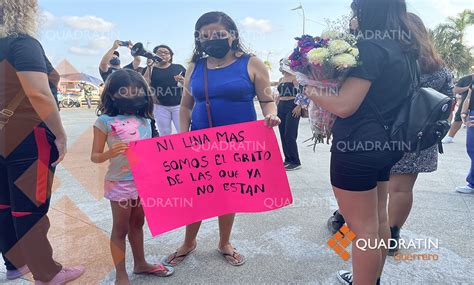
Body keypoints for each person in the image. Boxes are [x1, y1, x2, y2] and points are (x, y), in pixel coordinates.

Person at [304, 0, 419, 284]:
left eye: (356, 10)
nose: (353, 17)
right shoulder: (405, 49)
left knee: (363, 229)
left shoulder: (369, 47)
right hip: (388, 145)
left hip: (356, 146)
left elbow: (345, 105)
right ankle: (371, 278)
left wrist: (309, 89)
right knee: (378, 220)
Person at [164, 11, 280, 267]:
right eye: (204, 36)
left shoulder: (252, 63)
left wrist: (271, 116)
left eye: (217, 34)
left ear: (233, 35)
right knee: (197, 193)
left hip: (239, 143)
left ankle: (224, 242)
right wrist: (182, 136)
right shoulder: (195, 66)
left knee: (229, 192)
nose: (211, 40)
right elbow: (185, 106)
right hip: (199, 142)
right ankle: (188, 242)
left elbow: (267, 100)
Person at [0, 0, 85, 283]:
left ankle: (15, 264)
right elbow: (38, 93)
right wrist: (60, 134)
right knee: (29, 206)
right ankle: (47, 272)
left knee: (3, 203)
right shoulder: (22, 43)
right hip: (29, 136)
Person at [91, 69, 173, 285]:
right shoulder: (104, 121)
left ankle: (140, 263)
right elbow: (95, 156)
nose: (130, 95)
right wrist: (110, 152)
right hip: (120, 184)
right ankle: (121, 275)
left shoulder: (146, 120)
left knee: (138, 223)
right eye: (123, 91)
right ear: (112, 94)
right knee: (121, 228)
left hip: (143, 182)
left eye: (136, 91)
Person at [387, 13, 455, 255]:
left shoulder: (392, 61)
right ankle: (392, 237)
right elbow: (450, 100)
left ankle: (355, 227)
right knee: (402, 189)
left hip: (388, 133)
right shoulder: (438, 66)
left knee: (373, 187)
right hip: (421, 136)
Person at [144, 45, 186, 136]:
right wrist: (149, 67)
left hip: (179, 105)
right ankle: (170, 150)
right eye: (159, 52)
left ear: (170, 56)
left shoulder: (178, 67)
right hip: (160, 106)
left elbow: (190, 83)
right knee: (164, 133)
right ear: (154, 55)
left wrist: (183, 81)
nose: (163, 54)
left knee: (183, 131)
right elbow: (144, 84)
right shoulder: (150, 69)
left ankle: (186, 150)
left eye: (166, 53)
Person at [277, 58, 302, 171]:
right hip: (281, 106)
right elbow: (279, 95)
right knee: (282, 134)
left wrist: (299, 106)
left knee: (289, 134)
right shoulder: (281, 79)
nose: (282, 66)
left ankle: (295, 161)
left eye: (283, 64)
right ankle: (287, 160)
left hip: (292, 105)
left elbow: (302, 92)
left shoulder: (295, 78)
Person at [442, 73, 473, 144]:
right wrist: (468, 88)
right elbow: (455, 90)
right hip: (467, 102)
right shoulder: (465, 79)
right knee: (458, 118)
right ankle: (450, 137)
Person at [456, 83, 474, 194]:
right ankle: (472, 182)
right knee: (471, 150)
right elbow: (469, 95)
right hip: (471, 115)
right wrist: (464, 111)